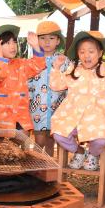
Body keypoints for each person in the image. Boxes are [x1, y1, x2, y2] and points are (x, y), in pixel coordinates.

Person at [50, 31, 105, 171]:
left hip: (99, 118)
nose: (86, 55)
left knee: (101, 139)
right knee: (58, 133)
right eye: (82, 52)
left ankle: (93, 154)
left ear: (100, 53)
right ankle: (79, 152)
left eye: (91, 51)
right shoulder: (73, 70)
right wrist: (56, 68)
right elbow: (56, 85)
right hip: (73, 116)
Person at [0, 24, 45, 131]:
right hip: (0, 117)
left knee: (24, 143)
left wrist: (36, 46)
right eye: (7, 43)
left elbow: (38, 65)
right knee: (1, 146)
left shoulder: (21, 63)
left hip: (21, 116)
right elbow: (0, 75)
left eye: (14, 42)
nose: (13, 46)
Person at [28, 21, 70, 156]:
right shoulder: (32, 61)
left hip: (58, 108)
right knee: (39, 140)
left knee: (52, 139)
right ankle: (35, 168)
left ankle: (50, 169)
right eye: (42, 38)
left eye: (51, 38)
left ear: (58, 41)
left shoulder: (64, 61)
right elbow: (26, 84)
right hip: (37, 109)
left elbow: (71, 82)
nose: (47, 42)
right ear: (37, 40)